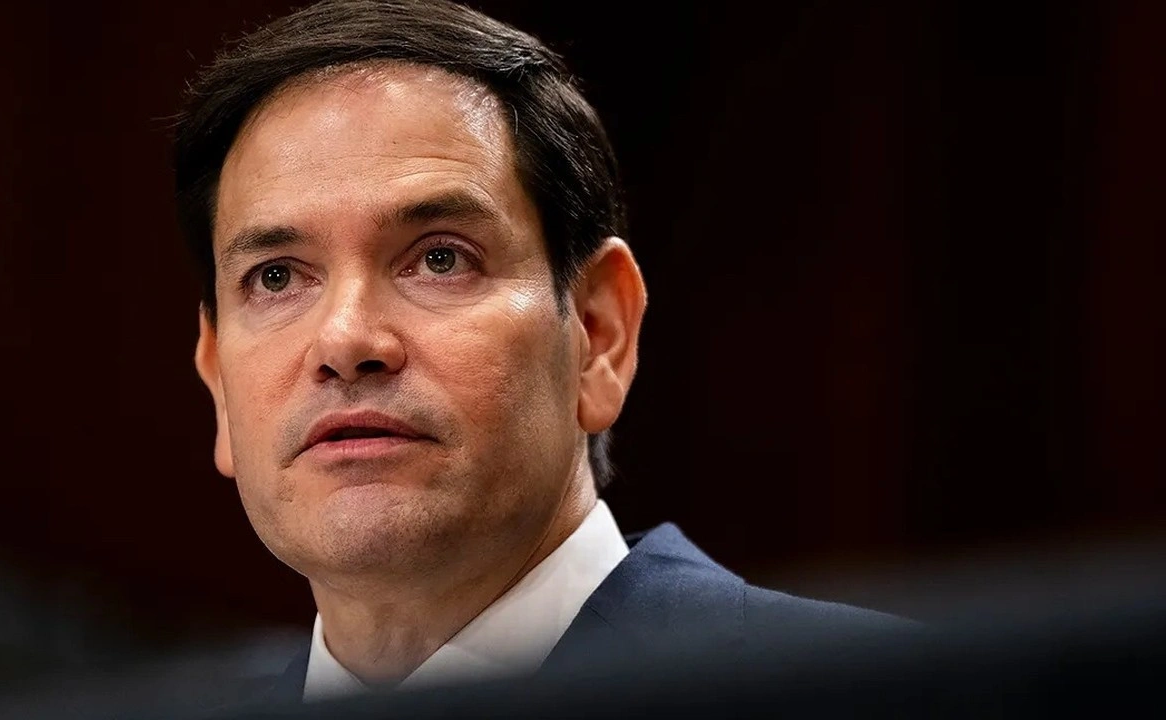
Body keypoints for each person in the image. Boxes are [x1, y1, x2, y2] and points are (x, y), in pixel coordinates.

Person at [174, 0, 909, 706]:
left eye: (439, 260)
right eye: (276, 277)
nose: (345, 340)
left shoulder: (888, 698)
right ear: (218, 385)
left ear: (598, 333)